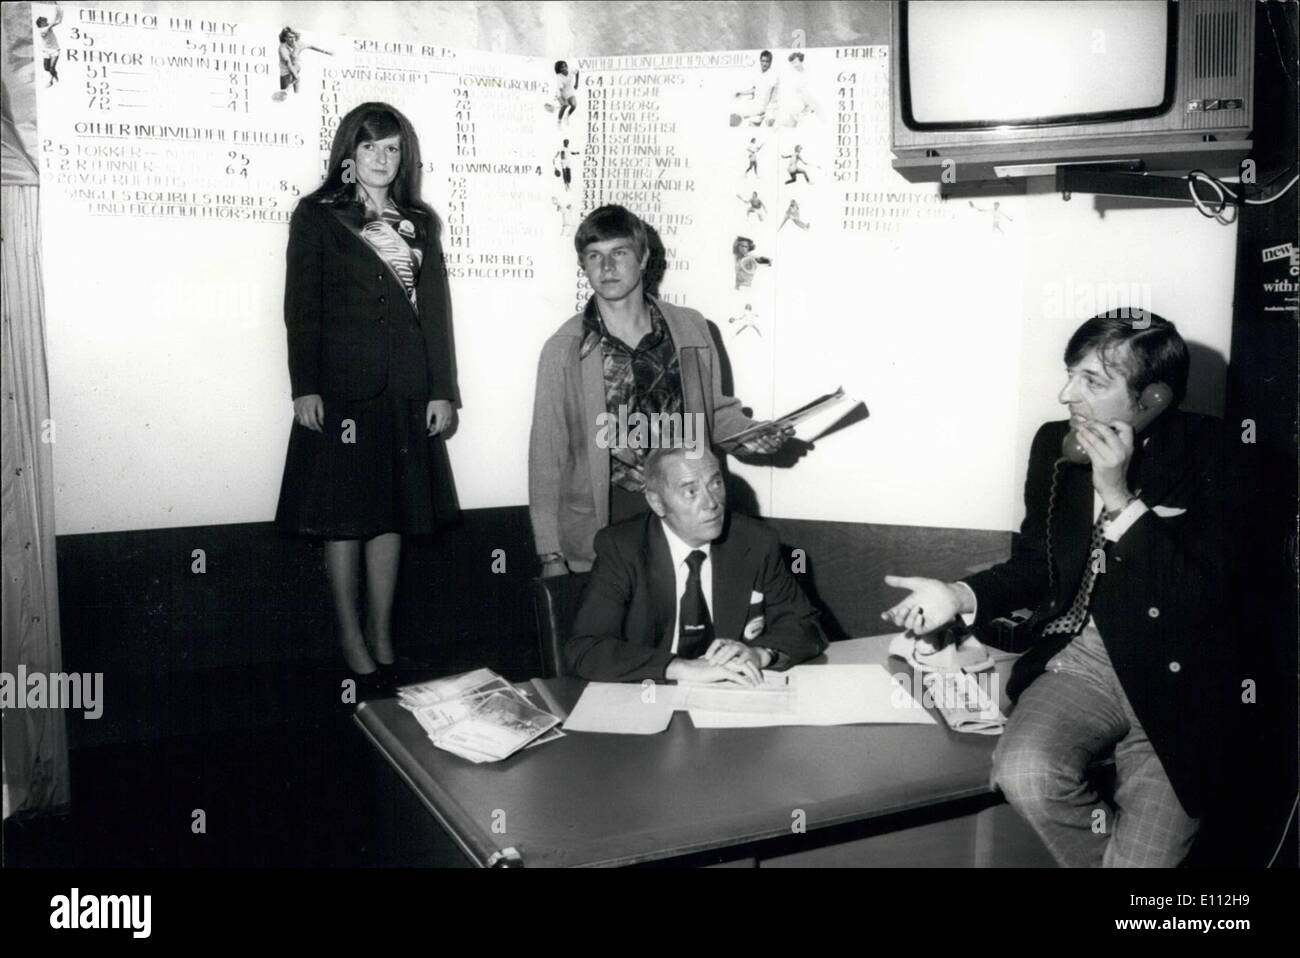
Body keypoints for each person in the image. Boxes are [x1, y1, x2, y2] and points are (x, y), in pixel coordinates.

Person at [881, 311, 1243, 867]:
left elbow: (1200, 599)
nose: (1065, 394)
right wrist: (958, 595)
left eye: (1093, 382)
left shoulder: (1221, 454)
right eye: (1070, 373)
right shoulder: (1055, 443)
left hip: (1179, 678)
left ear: (1152, 400)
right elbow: (1037, 566)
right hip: (1085, 662)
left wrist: (1120, 499)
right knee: (1023, 771)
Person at [275, 102, 459, 681]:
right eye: (371, 146)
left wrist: (441, 390)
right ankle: (349, 636)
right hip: (341, 390)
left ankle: (381, 632)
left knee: (393, 513)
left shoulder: (419, 221)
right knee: (344, 515)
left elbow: (435, 310)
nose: (382, 158)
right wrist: (304, 386)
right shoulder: (319, 214)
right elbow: (301, 309)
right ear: (348, 154)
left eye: (393, 148)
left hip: (405, 388)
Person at [529, 205, 792, 576]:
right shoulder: (565, 347)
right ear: (583, 265)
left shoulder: (690, 328)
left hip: (682, 508)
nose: (607, 268)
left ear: (643, 258)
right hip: (605, 520)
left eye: (619, 253)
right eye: (594, 256)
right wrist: (551, 555)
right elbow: (546, 457)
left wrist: (751, 434)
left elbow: (715, 414)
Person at [566, 446, 826, 683]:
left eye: (715, 484)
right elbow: (587, 649)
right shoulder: (623, 547)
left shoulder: (755, 541)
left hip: (733, 699)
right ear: (657, 502)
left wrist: (760, 654)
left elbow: (806, 624)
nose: (712, 503)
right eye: (691, 491)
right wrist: (681, 667)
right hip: (652, 698)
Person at [278, 27, 332, 96]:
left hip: (296, 67)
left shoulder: (299, 44)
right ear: (285, 38)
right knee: (284, 94)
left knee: (296, 93)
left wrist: (326, 52)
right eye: (290, 37)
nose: (293, 39)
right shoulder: (282, 48)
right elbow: (288, 63)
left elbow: (311, 46)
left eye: (294, 37)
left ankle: (296, 95)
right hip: (285, 72)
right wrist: (295, 76)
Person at [734, 50, 779, 126]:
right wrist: (742, 93)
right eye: (763, 61)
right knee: (751, 127)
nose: (764, 63)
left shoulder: (773, 75)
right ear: (760, 61)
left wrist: (767, 110)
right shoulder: (758, 74)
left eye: (767, 61)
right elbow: (755, 90)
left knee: (769, 131)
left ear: (770, 62)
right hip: (758, 108)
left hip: (769, 109)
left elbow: (771, 94)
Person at [36, 3, 63, 87]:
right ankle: (54, 74)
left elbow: (58, 21)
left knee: (51, 68)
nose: (47, 22)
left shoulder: (47, 27)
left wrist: (60, 9)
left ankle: (51, 81)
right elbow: (55, 20)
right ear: (41, 24)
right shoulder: (43, 30)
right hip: (46, 51)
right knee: (46, 68)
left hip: (55, 50)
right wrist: (56, 8)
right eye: (45, 21)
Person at [554, 60, 579, 125]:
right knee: (565, 105)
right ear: (559, 69)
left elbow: (577, 72)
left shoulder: (571, 70)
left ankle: (567, 117)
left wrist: (576, 84)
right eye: (562, 67)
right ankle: (559, 122)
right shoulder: (559, 77)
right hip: (560, 93)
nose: (564, 68)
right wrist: (564, 99)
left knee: (574, 105)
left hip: (569, 92)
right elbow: (561, 89)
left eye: (565, 66)